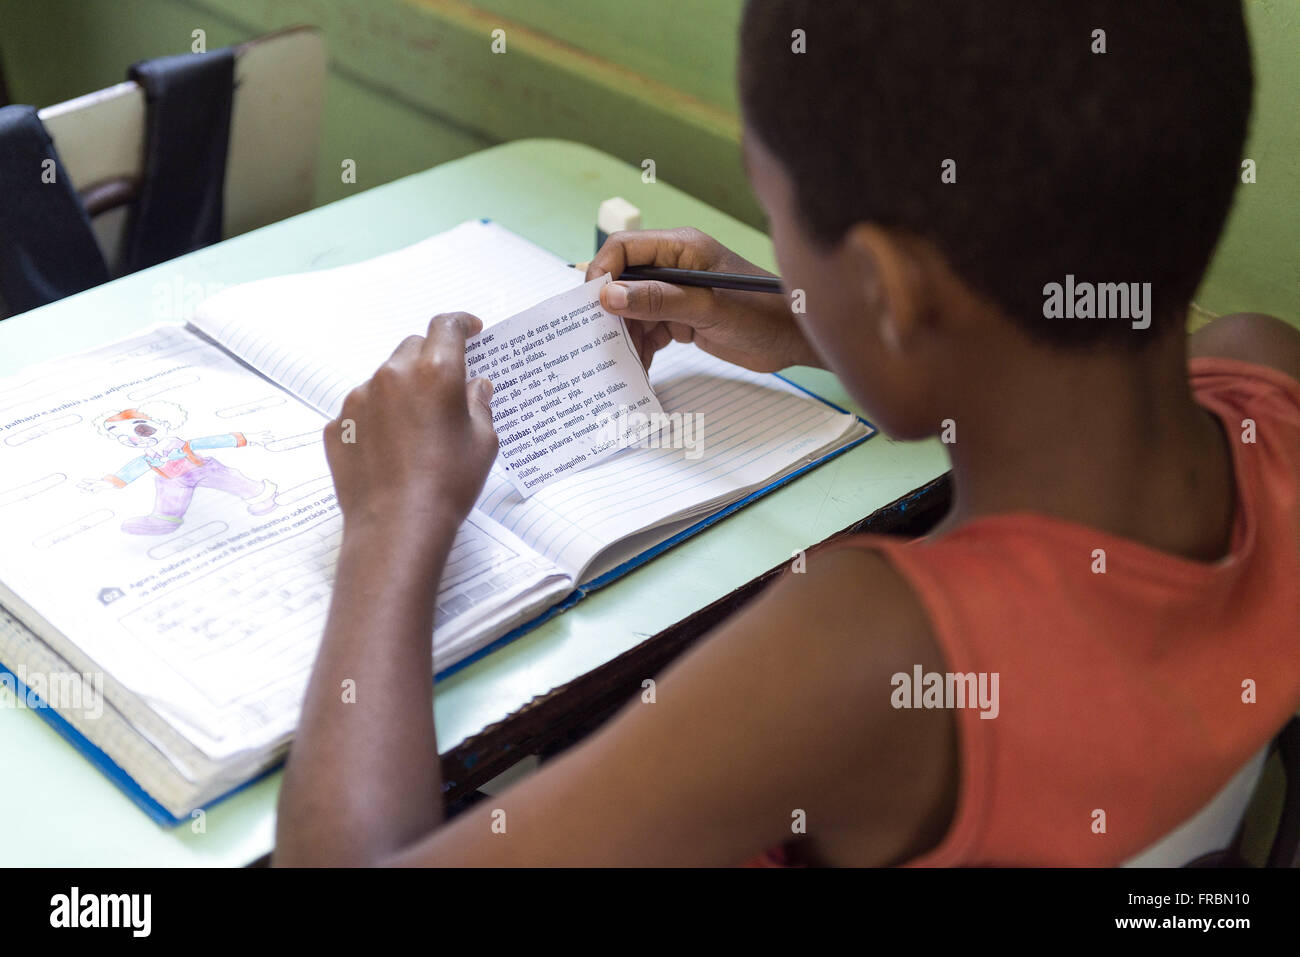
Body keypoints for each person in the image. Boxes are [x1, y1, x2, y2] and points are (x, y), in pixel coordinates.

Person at [274, 0, 1300, 866]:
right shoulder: (1271, 384)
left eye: (779, 220)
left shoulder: (872, 651)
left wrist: (392, 519)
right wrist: (810, 316)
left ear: (892, 294)